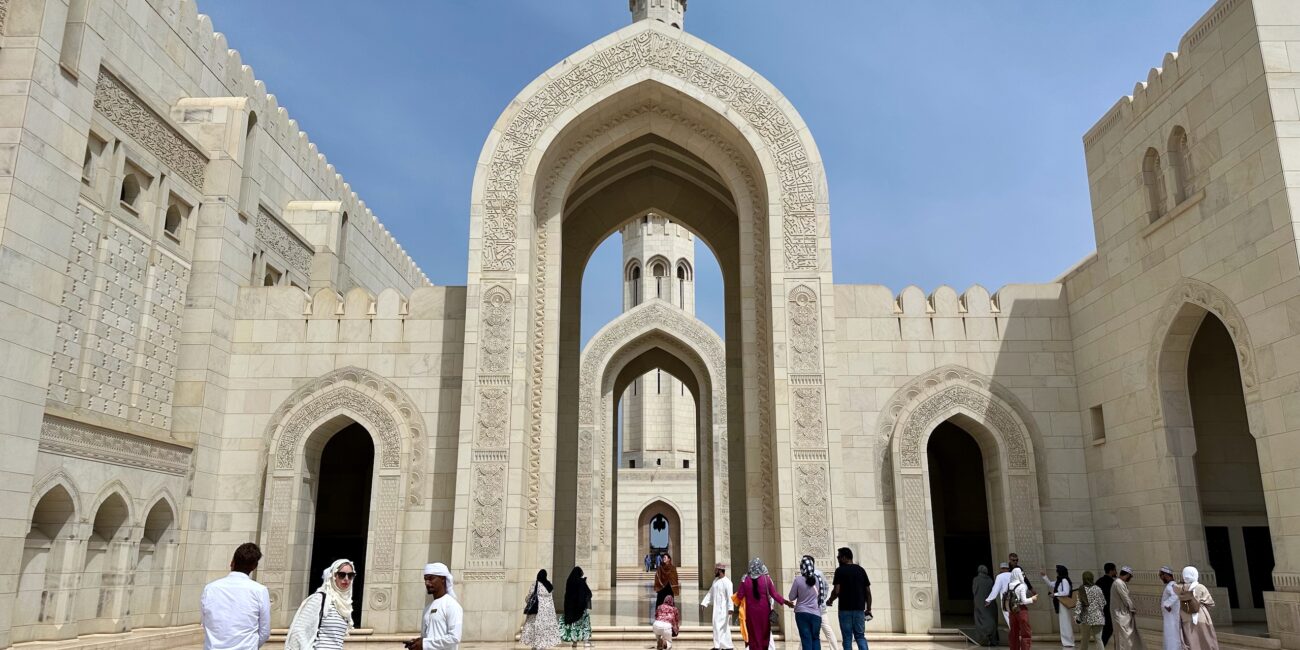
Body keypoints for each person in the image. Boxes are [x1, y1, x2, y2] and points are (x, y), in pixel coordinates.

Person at [200, 542, 271, 650]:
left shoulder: (210, 588)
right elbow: (264, 632)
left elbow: (206, 623)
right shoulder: (260, 591)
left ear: (232, 562)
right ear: (254, 567)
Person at [284, 559, 355, 650]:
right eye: (342, 575)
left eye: (350, 575)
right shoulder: (319, 599)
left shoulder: (344, 606)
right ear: (333, 576)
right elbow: (298, 631)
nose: (346, 579)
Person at [405, 563, 463, 650]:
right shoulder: (427, 608)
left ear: (442, 579)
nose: (427, 583)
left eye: (431, 579)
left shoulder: (451, 605)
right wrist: (417, 643)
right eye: (425, 579)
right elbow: (428, 637)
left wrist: (424, 644)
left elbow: (454, 638)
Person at [825, 547, 871, 650]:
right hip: (859, 609)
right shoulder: (861, 570)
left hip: (844, 610)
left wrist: (830, 600)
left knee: (847, 637)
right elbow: (868, 592)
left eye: (839, 557)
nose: (838, 559)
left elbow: (836, 591)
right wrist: (868, 609)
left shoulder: (840, 571)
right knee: (860, 637)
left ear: (845, 557)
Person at [740, 557, 790, 650]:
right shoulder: (766, 579)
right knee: (764, 635)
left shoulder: (745, 579)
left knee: (753, 635)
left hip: (751, 613)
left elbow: (739, 596)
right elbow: (774, 594)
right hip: (764, 613)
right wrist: (786, 602)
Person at [1176, 566, 1218, 650]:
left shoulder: (1179, 588)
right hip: (1200, 616)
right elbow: (1211, 603)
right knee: (1205, 640)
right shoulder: (1200, 587)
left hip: (1185, 616)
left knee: (1191, 640)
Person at [521, 569, 562, 650]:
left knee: (535, 628)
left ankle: (536, 646)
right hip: (547, 612)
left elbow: (529, 596)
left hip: (537, 611)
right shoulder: (549, 585)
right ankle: (542, 645)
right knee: (544, 629)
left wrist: (527, 601)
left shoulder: (536, 584)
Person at [789, 556, 824, 650]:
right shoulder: (818, 579)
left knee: (806, 639)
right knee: (816, 638)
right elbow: (821, 595)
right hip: (816, 614)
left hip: (801, 613)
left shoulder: (798, 580)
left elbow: (791, 597)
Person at [805, 557, 838, 650]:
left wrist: (821, 598)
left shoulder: (816, 574)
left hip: (815, 608)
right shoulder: (815, 574)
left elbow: (826, 587)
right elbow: (826, 587)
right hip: (816, 607)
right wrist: (822, 599)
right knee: (813, 631)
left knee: (821, 630)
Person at [701, 562, 735, 650]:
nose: (714, 572)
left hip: (724, 609)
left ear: (720, 570)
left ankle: (718, 646)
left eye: (715, 570)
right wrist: (704, 603)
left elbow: (730, 596)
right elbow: (710, 593)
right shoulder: (715, 581)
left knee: (719, 627)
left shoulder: (728, 582)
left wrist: (731, 608)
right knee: (719, 627)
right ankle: (725, 646)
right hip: (716, 609)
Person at [1041, 565, 1075, 647]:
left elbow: (1066, 592)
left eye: (1057, 570)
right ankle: (1067, 641)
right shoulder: (1060, 580)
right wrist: (1044, 576)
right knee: (1063, 622)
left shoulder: (1064, 580)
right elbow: (1050, 584)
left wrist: (1055, 594)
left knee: (1065, 622)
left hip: (1063, 603)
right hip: (1060, 603)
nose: (1056, 572)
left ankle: (1068, 641)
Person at [1109, 567, 1142, 650]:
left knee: (1125, 638)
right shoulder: (1118, 583)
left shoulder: (1119, 582)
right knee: (1123, 638)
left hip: (1122, 613)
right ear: (1127, 575)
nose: (1130, 579)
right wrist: (1133, 608)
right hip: (1120, 615)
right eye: (1130, 577)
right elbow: (1125, 598)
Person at [561, 567, 593, 648]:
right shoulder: (581, 582)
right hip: (580, 608)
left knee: (574, 625)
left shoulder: (569, 581)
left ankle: (574, 642)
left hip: (571, 608)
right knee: (584, 625)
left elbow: (567, 595)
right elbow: (588, 593)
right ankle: (586, 641)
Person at [1074, 572, 1105, 650]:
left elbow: (1079, 604)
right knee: (1098, 639)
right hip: (1098, 617)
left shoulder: (1082, 589)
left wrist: (1077, 616)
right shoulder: (1098, 588)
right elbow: (1103, 602)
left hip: (1086, 617)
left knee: (1085, 639)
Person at [1009, 568, 1037, 650]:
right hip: (1021, 611)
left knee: (1014, 633)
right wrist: (1033, 599)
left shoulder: (1009, 585)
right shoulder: (1022, 586)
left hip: (1012, 611)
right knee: (1025, 633)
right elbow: (1024, 601)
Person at [972, 565, 998, 646]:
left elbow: (974, 590)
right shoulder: (990, 580)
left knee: (980, 619)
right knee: (990, 619)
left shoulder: (976, 579)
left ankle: (983, 639)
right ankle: (992, 638)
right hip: (990, 603)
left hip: (979, 603)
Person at [1159, 567, 1181, 650]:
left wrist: (1166, 604)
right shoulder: (1173, 584)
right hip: (1171, 617)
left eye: (1161, 576)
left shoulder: (1171, 585)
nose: (1160, 578)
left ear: (1165, 575)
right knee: (1173, 635)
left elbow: (1175, 595)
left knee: (1171, 636)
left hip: (1171, 617)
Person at [1096, 564, 1118, 648]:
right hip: (1109, 611)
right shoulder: (1113, 583)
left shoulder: (1099, 581)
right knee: (1108, 630)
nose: (1116, 572)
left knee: (1104, 631)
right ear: (1111, 571)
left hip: (1100, 610)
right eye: (1115, 570)